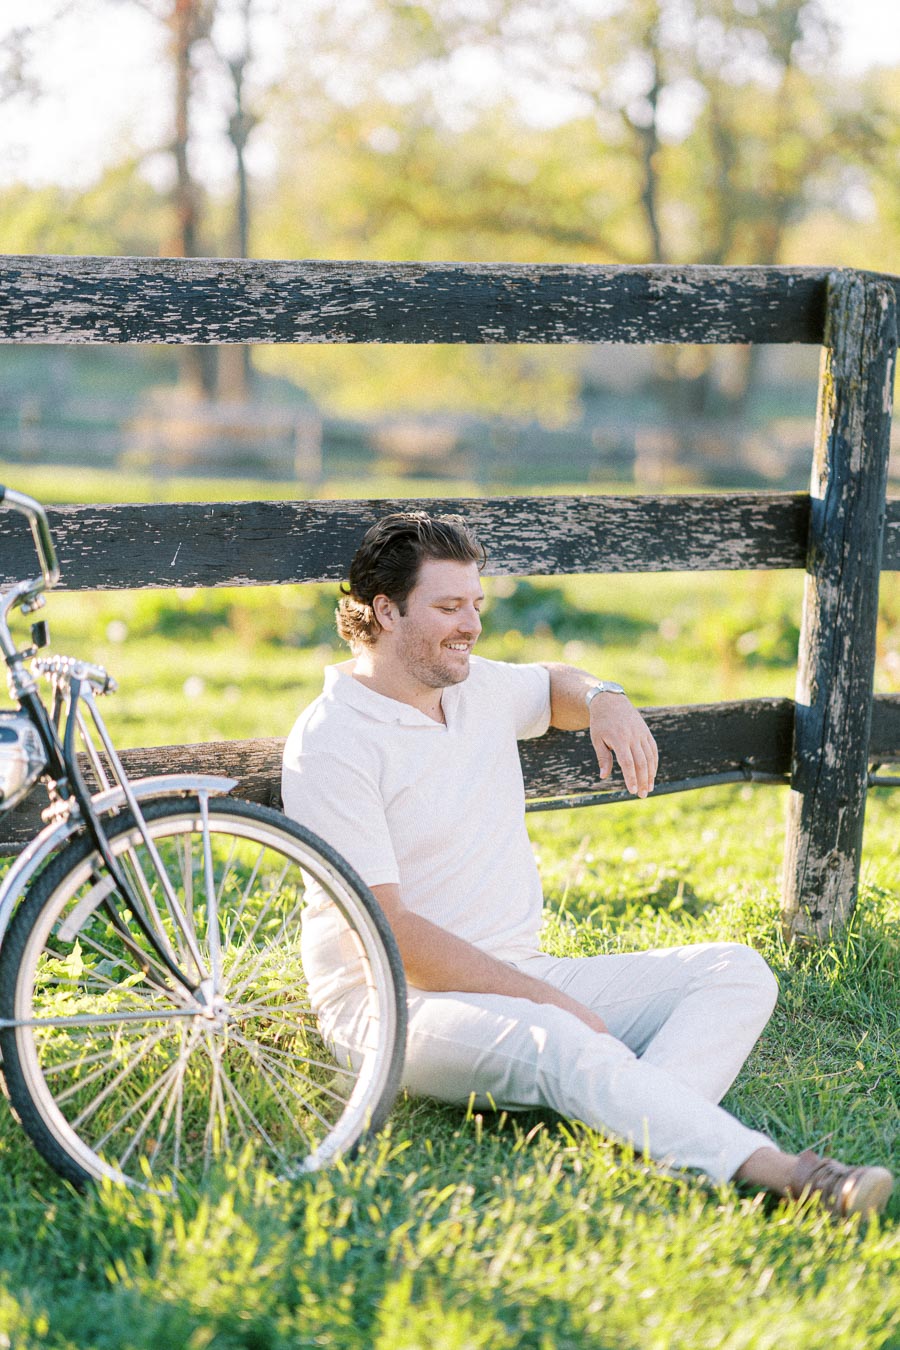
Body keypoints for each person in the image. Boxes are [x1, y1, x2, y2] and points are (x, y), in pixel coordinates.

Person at [282, 511, 894, 1219]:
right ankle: (794, 1176)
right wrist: (545, 1001)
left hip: (520, 968)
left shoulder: (472, 686)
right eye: (448, 607)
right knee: (565, 1038)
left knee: (736, 971)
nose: (472, 625)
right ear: (385, 611)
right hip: (390, 1006)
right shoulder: (333, 740)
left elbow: (550, 684)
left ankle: (639, 1131)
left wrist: (606, 699)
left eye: (477, 604)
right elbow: (388, 933)